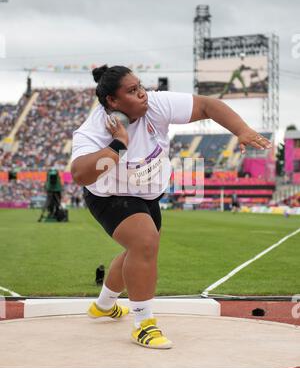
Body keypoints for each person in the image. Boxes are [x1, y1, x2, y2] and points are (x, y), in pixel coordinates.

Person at [71, 65, 272, 349]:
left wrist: (242, 129)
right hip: (109, 195)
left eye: (140, 86)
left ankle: (104, 305)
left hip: (147, 194)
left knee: (138, 249)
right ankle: (144, 324)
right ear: (112, 102)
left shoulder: (156, 104)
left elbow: (206, 105)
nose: (142, 94)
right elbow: (80, 174)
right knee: (144, 242)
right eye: (131, 91)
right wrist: (118, 143)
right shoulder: (94, 130)